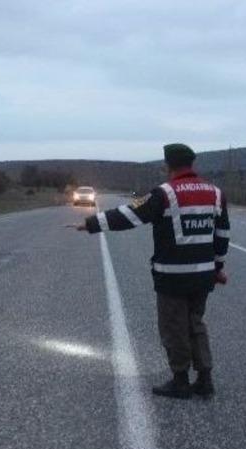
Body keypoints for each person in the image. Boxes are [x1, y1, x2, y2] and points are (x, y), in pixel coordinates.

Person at [75, 143, 230, 399]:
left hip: (172, 276)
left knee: (174, 327)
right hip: (203, 276)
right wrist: (218, 267)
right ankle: (205, 379)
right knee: (196, 323)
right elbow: (222, 234)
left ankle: (180, 381)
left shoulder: (165, 193)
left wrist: (92, 223)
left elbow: (130, 215)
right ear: (191, 163)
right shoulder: (216, 193)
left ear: (168, 165)